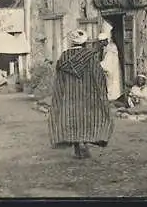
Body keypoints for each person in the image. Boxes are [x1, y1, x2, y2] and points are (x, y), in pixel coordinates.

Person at [48, 29, 114, 159]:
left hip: (69, 96)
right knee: (86, 119)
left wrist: (59, 95)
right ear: (85, 43)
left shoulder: (64, 57)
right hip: (87, 95)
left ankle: (77, 144)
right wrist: (102, 93)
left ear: (72, 43)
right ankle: (84, 142)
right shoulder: (91, 57)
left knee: (73, 119)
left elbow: (59, 79)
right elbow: (98, 77)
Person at [98, 32, 122, 101]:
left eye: (101, 42)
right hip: (110, 70)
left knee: (113, 85)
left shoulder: (111, 49)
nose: (100, 44)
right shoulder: (106, 48)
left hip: (112, 70)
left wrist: (99, 64)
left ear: (105, 41)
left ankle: (113, 98)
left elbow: (107, 63)